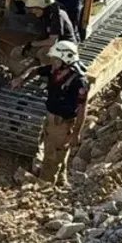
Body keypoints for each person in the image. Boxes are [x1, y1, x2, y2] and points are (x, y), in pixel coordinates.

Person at [10, 40, 89, 186]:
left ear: (65, 60)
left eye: (55, 58)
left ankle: (44, 185)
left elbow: (83, 108)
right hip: (51, 119)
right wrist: (22, 78)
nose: (52, 60)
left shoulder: (78, 81)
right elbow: (35, 70)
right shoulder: (55, 71)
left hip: (62, 123)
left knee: (51, 156)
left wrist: (76, 132)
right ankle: (60, 181)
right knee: (57, 152)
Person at [21, 0, 78, 64]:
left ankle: (49, 73)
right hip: (58, 45)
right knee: (28, 50)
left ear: (41, 6)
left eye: (33, 9)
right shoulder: (46, 15)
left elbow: (52, 41)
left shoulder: (57, 15)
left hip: (67, 48)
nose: (33, 12)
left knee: (42, 53)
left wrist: (32, 44)